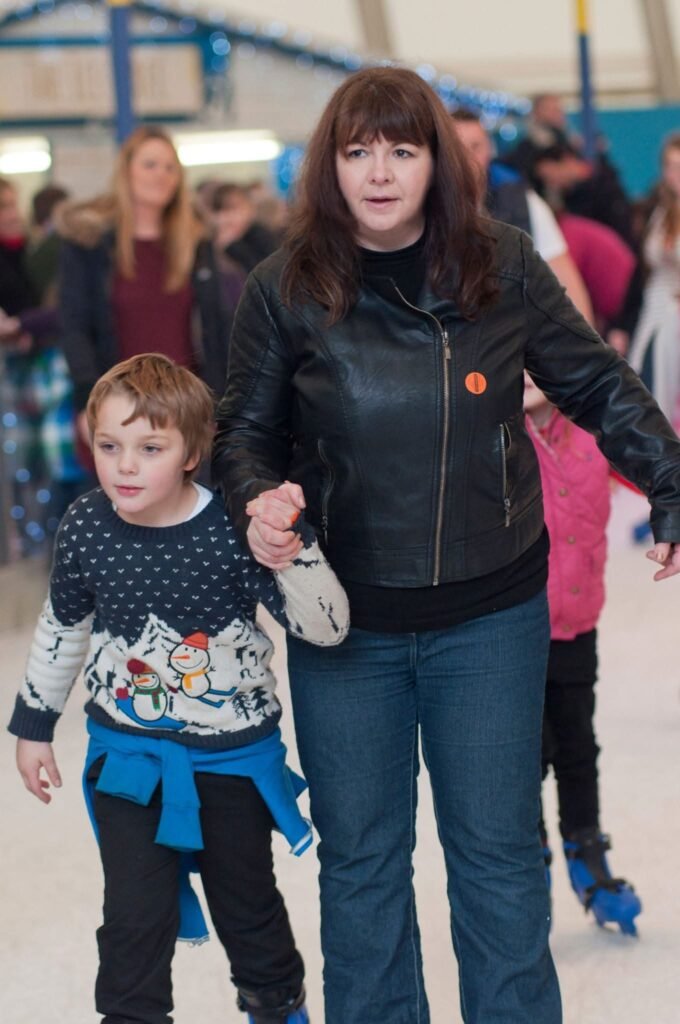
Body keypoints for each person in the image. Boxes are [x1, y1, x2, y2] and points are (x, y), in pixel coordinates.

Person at [212, 66, 680, 1024]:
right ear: (331, 165)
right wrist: (258, 498)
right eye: (358, 152)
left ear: (437, 162)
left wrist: (671, 481)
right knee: (363, 863)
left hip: (490, 616)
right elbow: (243, 434)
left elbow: (595, 383)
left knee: (498, 857)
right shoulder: (283, 285)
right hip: (346, 623)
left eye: (402, 149)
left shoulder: (501, 263)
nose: (380, 172)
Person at [8, 353, 349, 1024]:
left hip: (231, 761)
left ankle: (276, 1005)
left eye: (149, 448)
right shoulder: (86, 525)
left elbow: (325, 628)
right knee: (133, 916)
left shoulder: (232, 525)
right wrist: (33, 726)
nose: (124, 466)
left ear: (192, 454)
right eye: (109, 446)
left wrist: (294, 544)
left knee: (245, 905)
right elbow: (63, 626)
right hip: (128, 758)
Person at [524, 373, 642, 936]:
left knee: (577, 746)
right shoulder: (494, 431)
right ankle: (529, 863)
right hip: (512, 631)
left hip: (576, 621)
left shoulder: (595, 430)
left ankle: (587, 852)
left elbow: (653, 463)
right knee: (525, 755)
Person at [56, 125, 231, 445]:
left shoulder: (196, 242)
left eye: (170, 167)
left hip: (184, 410)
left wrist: (218, 405)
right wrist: (87, 401)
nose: (161, 174)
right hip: (115, 408)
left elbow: (215, 328)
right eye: (150, 164)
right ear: (126, 171)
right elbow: (75, 326)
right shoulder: (88, 243)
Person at [450, 109, 594, 324]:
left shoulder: (523, 203)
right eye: (457, 149)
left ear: (489, 150)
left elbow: (567, 284)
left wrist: (584, 338)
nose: (467, 158)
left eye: (475, 147)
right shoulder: (425, 209)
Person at [628, 132, 680, 430]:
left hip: (672, 311)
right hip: (655, 310)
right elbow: (642, 271)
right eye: (669, 166)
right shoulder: (662, 211)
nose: (674, 174)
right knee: (652, 389)